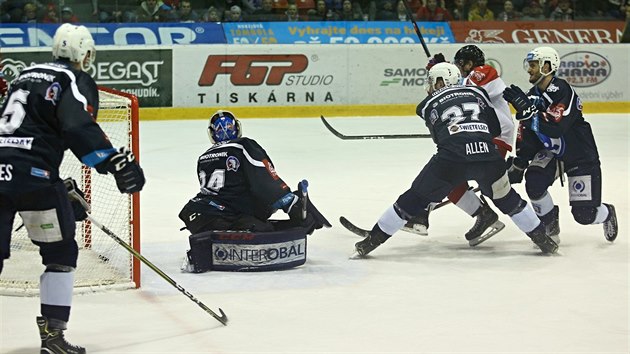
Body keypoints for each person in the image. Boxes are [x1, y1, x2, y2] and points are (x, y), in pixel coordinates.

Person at [0, 24, 145, 353]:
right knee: (60, 252)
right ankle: (52, 338)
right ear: (85, 54)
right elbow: (77, 126)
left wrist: (55, 184)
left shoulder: (24, 75)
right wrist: (114, 163)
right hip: (33, 177)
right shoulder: (72, 79)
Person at [353, 62, 557, 257]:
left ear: (441, 82)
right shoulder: (479, 92)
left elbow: (438, 137)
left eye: (433, 81)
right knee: (508, 200)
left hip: (452, 160)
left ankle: (371, 242)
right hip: (488, 156)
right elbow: (494, 129)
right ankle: (544, 241)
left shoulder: (426, 104)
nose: (430, 86)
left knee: (413, 199)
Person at [502, 46, 618, 245]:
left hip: (579, 155)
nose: (529, 70)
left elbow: (556, 128)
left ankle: (607, 213)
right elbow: (527, 132)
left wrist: (530, 112)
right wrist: (520, 162)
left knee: (584, 216)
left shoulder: (562, 90)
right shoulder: (531, 96)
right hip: (552, 153)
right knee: (534, 182)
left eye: (533, 65)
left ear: (547, 66)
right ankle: (549, 223)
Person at [406, 45, 515, 247]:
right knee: (451, 180)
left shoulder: (484, 71)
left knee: (453, 174)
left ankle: (421, 212)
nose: (457, 68)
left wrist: (442, 71)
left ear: (469, 63)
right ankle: (484, 215)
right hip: (480, 135)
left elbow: (464, 89)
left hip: (495, 136)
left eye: (458, 64)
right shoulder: (471, 77)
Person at [178, 110, 329, 237]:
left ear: (212, 134)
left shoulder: (203, 157)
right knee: (264, 229)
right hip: (229, 218)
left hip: (196, 214)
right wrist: (291, 203)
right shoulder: (243, 145)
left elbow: (224, 191)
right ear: (236, 128)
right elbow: (265, 181)